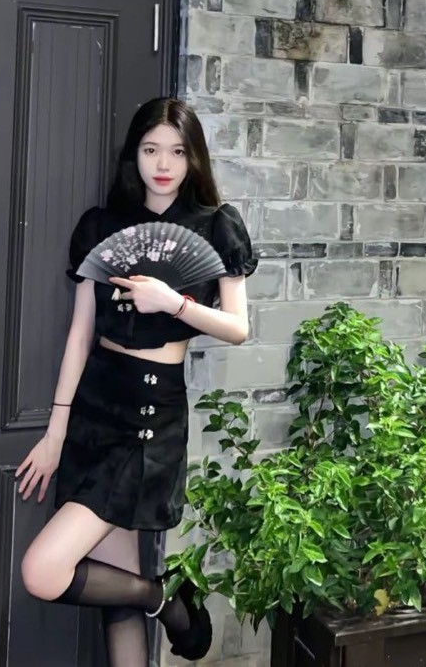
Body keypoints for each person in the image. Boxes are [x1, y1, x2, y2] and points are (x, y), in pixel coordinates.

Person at [17, 97, 257, 665]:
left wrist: (173, 302)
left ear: (194, 158)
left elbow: (239, 328)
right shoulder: (102, 227)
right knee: (117, 584)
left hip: (152, 412)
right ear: (135, 155)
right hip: (96, 402)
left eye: (177, 151)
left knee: (43, 570)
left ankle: (162, 599)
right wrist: (55, 433)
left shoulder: (216, 225)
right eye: (151, 150)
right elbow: (80, 334)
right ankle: (158, 596)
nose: (163, 164)